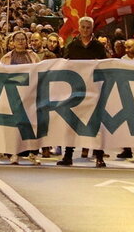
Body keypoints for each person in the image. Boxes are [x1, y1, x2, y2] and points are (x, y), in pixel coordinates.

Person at [58, 16, 107, 167]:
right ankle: (68, 156)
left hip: (94, 90)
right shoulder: (72, 46)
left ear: (92, 29)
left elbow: (104, 66)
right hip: (76, 90)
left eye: (88, 27)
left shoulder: (98, 47)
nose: (85, 30)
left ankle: (99, 156)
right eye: (83, 27)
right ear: (78, 28)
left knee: (95, 124)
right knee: (71, 124)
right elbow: (65, 66)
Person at [0, 31, 41, 165]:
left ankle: (33, 153)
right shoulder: (6, 57)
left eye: (23, 39)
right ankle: (14, 153)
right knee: (14, 126)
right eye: (17, 39)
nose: (20, 41)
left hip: (30, 95)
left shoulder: (33, 56)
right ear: (12, 41)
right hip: (13, 95)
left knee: (32, 125)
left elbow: (39, 72)